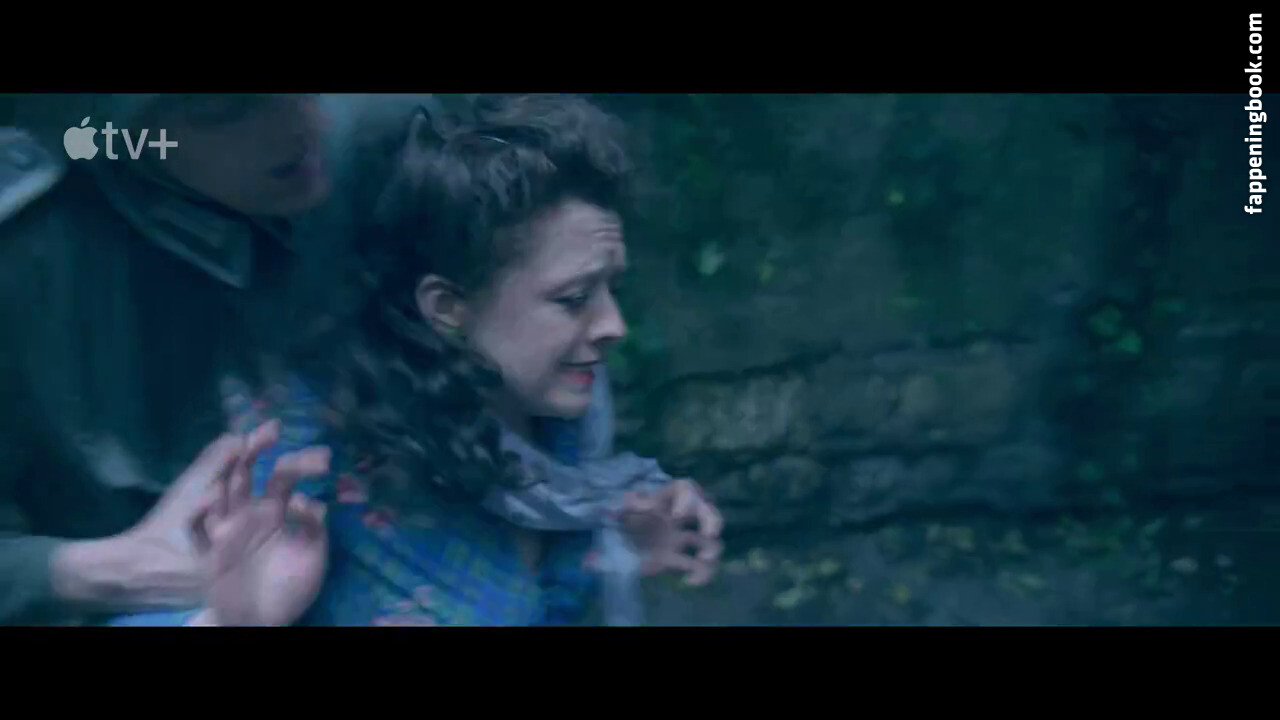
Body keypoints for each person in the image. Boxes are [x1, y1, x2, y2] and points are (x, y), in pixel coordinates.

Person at [112, 93, 725, 626]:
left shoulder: (563, 424)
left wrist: (618, 545)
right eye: (573, 298)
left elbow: (538, 599)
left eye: (612, 287)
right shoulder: (307, 443)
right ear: (448, 307)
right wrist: (229, 620)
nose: (614, 326)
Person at [0, 94, 340, 625]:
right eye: (227, 107)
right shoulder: (27, 256)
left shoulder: (379, 138)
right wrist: (108, 571)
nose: (303, 122)